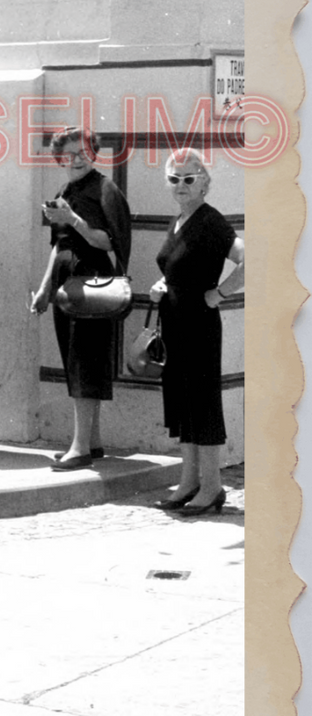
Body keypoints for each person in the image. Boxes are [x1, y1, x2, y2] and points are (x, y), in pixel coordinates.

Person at [147, 148, 246, 517]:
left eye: (189, 179)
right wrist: (163, 283)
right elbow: (180, 266)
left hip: (199, 324)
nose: (181, 186)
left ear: (205, 183)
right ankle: (189, 482)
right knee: (183, 403)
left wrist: (218, 294)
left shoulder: (210, 221)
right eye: (174, 179)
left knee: (202, 403)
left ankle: (212, 486)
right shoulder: (179, 221)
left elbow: (248, 258)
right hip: (174, 321)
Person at [29, 130, 132, 471]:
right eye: (68, 153)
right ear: (59, 158)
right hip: (66, 285)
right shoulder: (65, 191)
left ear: (94, 154)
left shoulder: (105, 189)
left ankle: (80, 446)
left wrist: (73, 219)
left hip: (91, 281)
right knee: (77, 360)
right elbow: (58, 246)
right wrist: (44, 289)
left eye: (82, 151)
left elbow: (108, 242)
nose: (75, 158)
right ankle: (93, 441)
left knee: (85, 361)